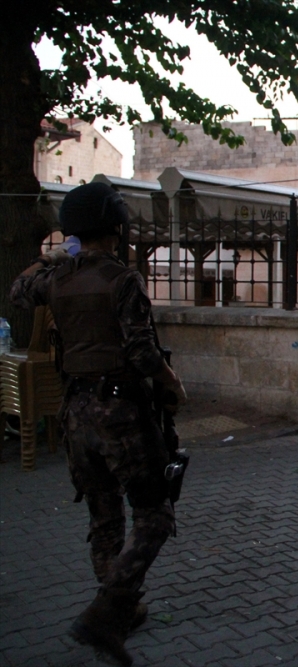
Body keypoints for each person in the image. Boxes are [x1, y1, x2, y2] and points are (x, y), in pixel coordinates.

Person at [9, 182, 187, 667]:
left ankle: (120, 611)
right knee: (154, 515)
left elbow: (18, 289)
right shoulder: (121, 279)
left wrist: (54, 258)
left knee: (104, 516)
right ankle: (107, 612)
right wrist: (173, 384)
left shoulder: (56, 279)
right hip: (121, 412)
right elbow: (142, 352)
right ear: (115, 227)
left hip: (76, 413)